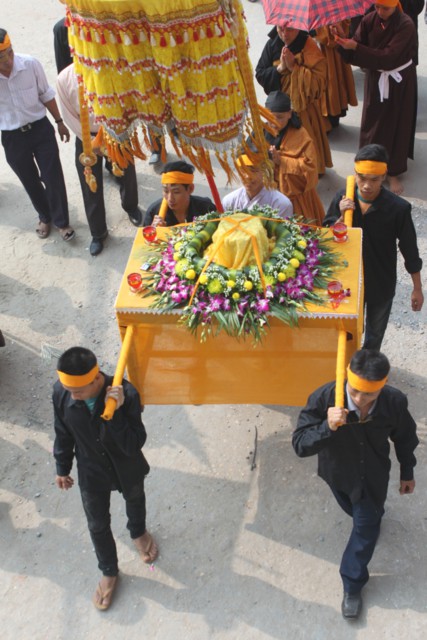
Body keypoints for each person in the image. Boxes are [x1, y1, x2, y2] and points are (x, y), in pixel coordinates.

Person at [292, 349, 419, 619]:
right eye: (355, 391)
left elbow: (405, 438)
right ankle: (370, 518)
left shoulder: (394, 402)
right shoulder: (324, 398)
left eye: (370, 395)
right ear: (347, 378)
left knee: (365, 526)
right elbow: (300, 445)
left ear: (382, 386)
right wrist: (327, 427)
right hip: (337, 475)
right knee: (355, 512)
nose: (360, 400)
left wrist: (407, 472)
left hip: (373, 479)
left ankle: (352, 585)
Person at [53, 347, 158, 610]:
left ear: (97, 379)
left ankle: (138, 532)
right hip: (91, 469)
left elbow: (134, 443)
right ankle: (109, 570)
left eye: (78, 391)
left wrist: (117, 414)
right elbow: (62, 432)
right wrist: (62, 467)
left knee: (135, 498)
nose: (72, 397)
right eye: (68, 390)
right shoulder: (61, 393)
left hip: (125, 465)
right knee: (97, 524)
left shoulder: (127, 393)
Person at [324, 143, 423, 350]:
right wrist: (340, 217)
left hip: (381, 282)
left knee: (375, 333)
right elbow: (325, 237)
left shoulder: (398, 209)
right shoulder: (343, 199)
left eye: (374, 179)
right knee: (347, 332)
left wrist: (417, 288)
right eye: (362, 178)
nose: (367, 185)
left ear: (384, 176)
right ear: (355, 173)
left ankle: (368, 364)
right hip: (348, 281)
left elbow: (410, 250)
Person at [56, 63, 143, 256]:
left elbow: (129, 101)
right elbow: (69, 117)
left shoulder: (114, 67)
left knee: (126, 172)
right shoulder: (64, 78)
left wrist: (117, 132)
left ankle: (131, 206)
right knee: (90, 186)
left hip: (116, 131)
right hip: (86, 137)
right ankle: (98, 233)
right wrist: (92, 141)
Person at [332, 1, 417, 195]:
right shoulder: (370, 19)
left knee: (396, 124)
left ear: (395, 5)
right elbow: (357, 44)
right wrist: (343, 39)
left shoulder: (406, 24)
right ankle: (367, 165)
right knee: (372, 123)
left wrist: (356, 47)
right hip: (376, 77)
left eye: (385, 8)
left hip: (398, 82)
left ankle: (393, 172)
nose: (380, 11)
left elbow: (389, 57)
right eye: (377, 6)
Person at [0, 28, 74, 241]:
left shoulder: (30, 64)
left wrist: (59, 122)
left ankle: (61, 221)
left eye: (10, 53)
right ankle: (44, 215)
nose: (8, 61)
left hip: (40, 129)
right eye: (1, 58)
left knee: (52, 176)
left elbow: (45, 94)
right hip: (12, 137)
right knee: (29, 179)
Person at [255, 25, 332, 175]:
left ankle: (310, 171)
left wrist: (293, 68)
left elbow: (319, 81)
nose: (284, 34)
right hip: (278, 109)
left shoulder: (308, 45)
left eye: (290, 29)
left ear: (298, 27)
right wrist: (280, 68)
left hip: (303, 110)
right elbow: (260, 73)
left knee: (306, 143)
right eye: (280, 29)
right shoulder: (272, 44)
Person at [264, 91, 325, 225]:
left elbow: (310, 167)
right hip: (267, 193)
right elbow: (246, 156)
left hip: (295, 199)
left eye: (280, 117)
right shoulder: (260, 130)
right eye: (270, 117)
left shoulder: (301, 135)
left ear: (289, 114)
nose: (274, 122)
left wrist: (281, 161)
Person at [143, 160, 216, 227]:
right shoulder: (153, 212)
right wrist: (154, 232)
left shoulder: (206, 209)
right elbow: (143, 236)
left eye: (176, 192)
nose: (170, 199)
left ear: (190, 189)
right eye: (166, 191)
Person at [222, 154, 293, 218]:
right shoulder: (229, 201)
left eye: (253, 170)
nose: (247, 176)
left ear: (265, 171)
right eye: (243, 170)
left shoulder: (280, 204)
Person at [314, 22, 358, 128]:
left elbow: (328, 39)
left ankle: (331, 118)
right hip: (328, 53)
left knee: (332, 83)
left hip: (331, 53)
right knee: (333, 83)